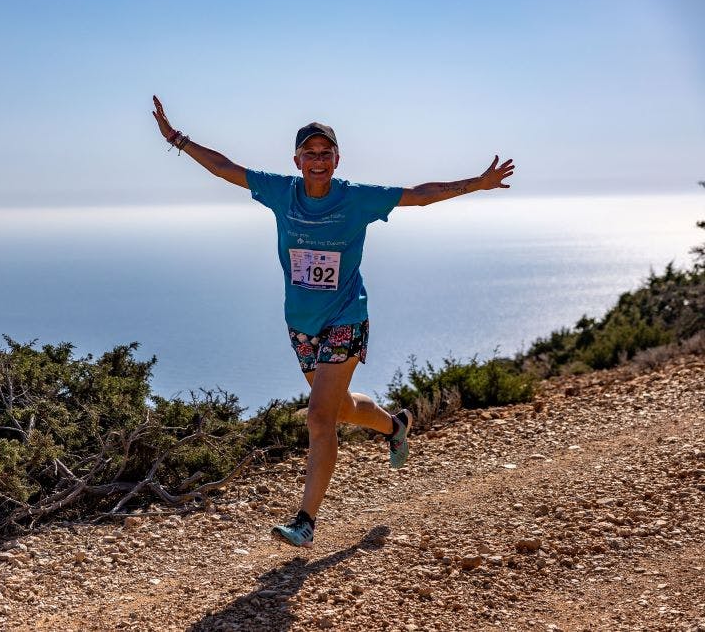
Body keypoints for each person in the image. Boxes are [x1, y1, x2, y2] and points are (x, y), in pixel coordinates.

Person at [151, 96, 514, 548]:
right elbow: (225, 168)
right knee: (339, 408)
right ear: (297, 160)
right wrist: (177, 139)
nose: (318, 160)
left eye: (326, 153)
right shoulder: (281, 191)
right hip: (302, 324)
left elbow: (419, 195)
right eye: (310, 153)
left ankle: (305, 521)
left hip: (347, 317)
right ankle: (395, 425)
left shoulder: (356, 198)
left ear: (337, 159)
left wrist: (477, 183)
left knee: (319, 416)